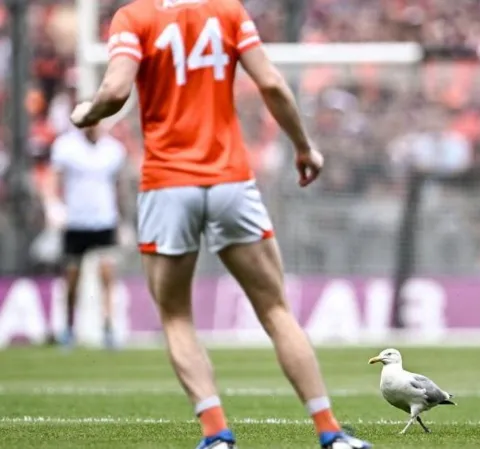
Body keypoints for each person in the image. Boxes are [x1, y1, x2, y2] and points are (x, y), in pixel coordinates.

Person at [68, 1, 371, 448]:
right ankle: (330, 432)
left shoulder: (134, 17)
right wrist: (304, 147)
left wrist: (86, 115)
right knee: (276, 310)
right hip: (229, 179)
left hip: (167, 184)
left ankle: (217, 437)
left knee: (175, 316)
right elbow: (270, 81)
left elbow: (114, 91)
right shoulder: (226, 11)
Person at [50, 123, 126, 350]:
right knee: (73, 280)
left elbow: (118, 186)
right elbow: (55, 179)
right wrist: (54, 205)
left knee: (107, 276)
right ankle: (68, 329)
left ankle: (109, 328)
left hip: (105, 221)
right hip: (75, 222)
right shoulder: (65, 147)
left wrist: (122, 219)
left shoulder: (113, 149)